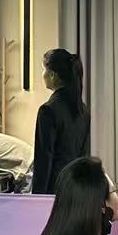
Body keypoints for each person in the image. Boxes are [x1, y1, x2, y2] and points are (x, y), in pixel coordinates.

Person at [32, 50, 90, 194]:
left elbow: (44, 160)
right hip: (76, 188)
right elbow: (83, 155)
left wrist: (36, 198)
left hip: (54, 191)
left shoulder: (47, 110)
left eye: (44, 70)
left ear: (53, 75)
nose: (43, 74)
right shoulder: (83, 110)